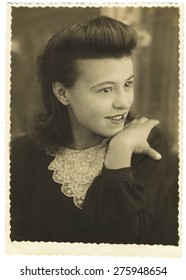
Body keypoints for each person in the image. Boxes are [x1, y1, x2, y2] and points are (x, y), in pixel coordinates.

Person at [10, 15, 168, 244]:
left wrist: (120, 150)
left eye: (127, 84)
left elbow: (127, 248)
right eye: (105, 90)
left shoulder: (147, 144)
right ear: (63, 93)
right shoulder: (22, 153)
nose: (123, 102)